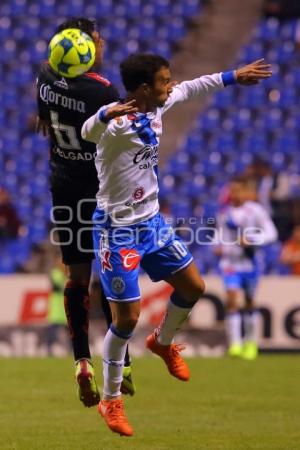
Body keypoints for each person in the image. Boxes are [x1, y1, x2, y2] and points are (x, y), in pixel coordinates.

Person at [81, 54, 272, 436]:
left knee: (194, 287)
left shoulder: (160, 103)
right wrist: (104, 115)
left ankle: (163, 342)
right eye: (163, 81)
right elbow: (88, 132)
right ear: (143, 89)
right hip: (116, 230)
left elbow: (194, 85)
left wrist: (234, 76)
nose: (170, 86)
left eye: (169, 80)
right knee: (126, 320)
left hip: (151, 222)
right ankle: (111, 401)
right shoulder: (115, 123)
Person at [36, 17, 135, 408]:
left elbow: (45, 122)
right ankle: (122, 362)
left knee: (77, 277)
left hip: (62, 185)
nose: (103, 42)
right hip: (101, 191)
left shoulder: (44, 74)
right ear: (85, 44)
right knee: (114, 274)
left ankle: (81, 360)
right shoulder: (102, 90)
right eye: (97, 38)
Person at [215, 177, 278, 360]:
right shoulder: (224, 213)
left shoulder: (255, 210)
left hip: (250, 263)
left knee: (249, 302)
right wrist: (217, 246)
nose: (234, 194)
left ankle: (251, 342)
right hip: (230, 264)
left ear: (245, 191)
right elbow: (219, 236)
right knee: (232, 300)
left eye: (237, 190)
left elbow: (271, 233)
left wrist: (252, 240)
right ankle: (235, 344)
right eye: (231, 191)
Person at [47, 254, 68, 356]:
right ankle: (49, 352)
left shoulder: (67, 274)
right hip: (56, 309)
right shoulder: (55, 273)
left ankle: (72, 352)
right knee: (52, 334)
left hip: (66, 308)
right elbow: (60, 285)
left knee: (70, 333)